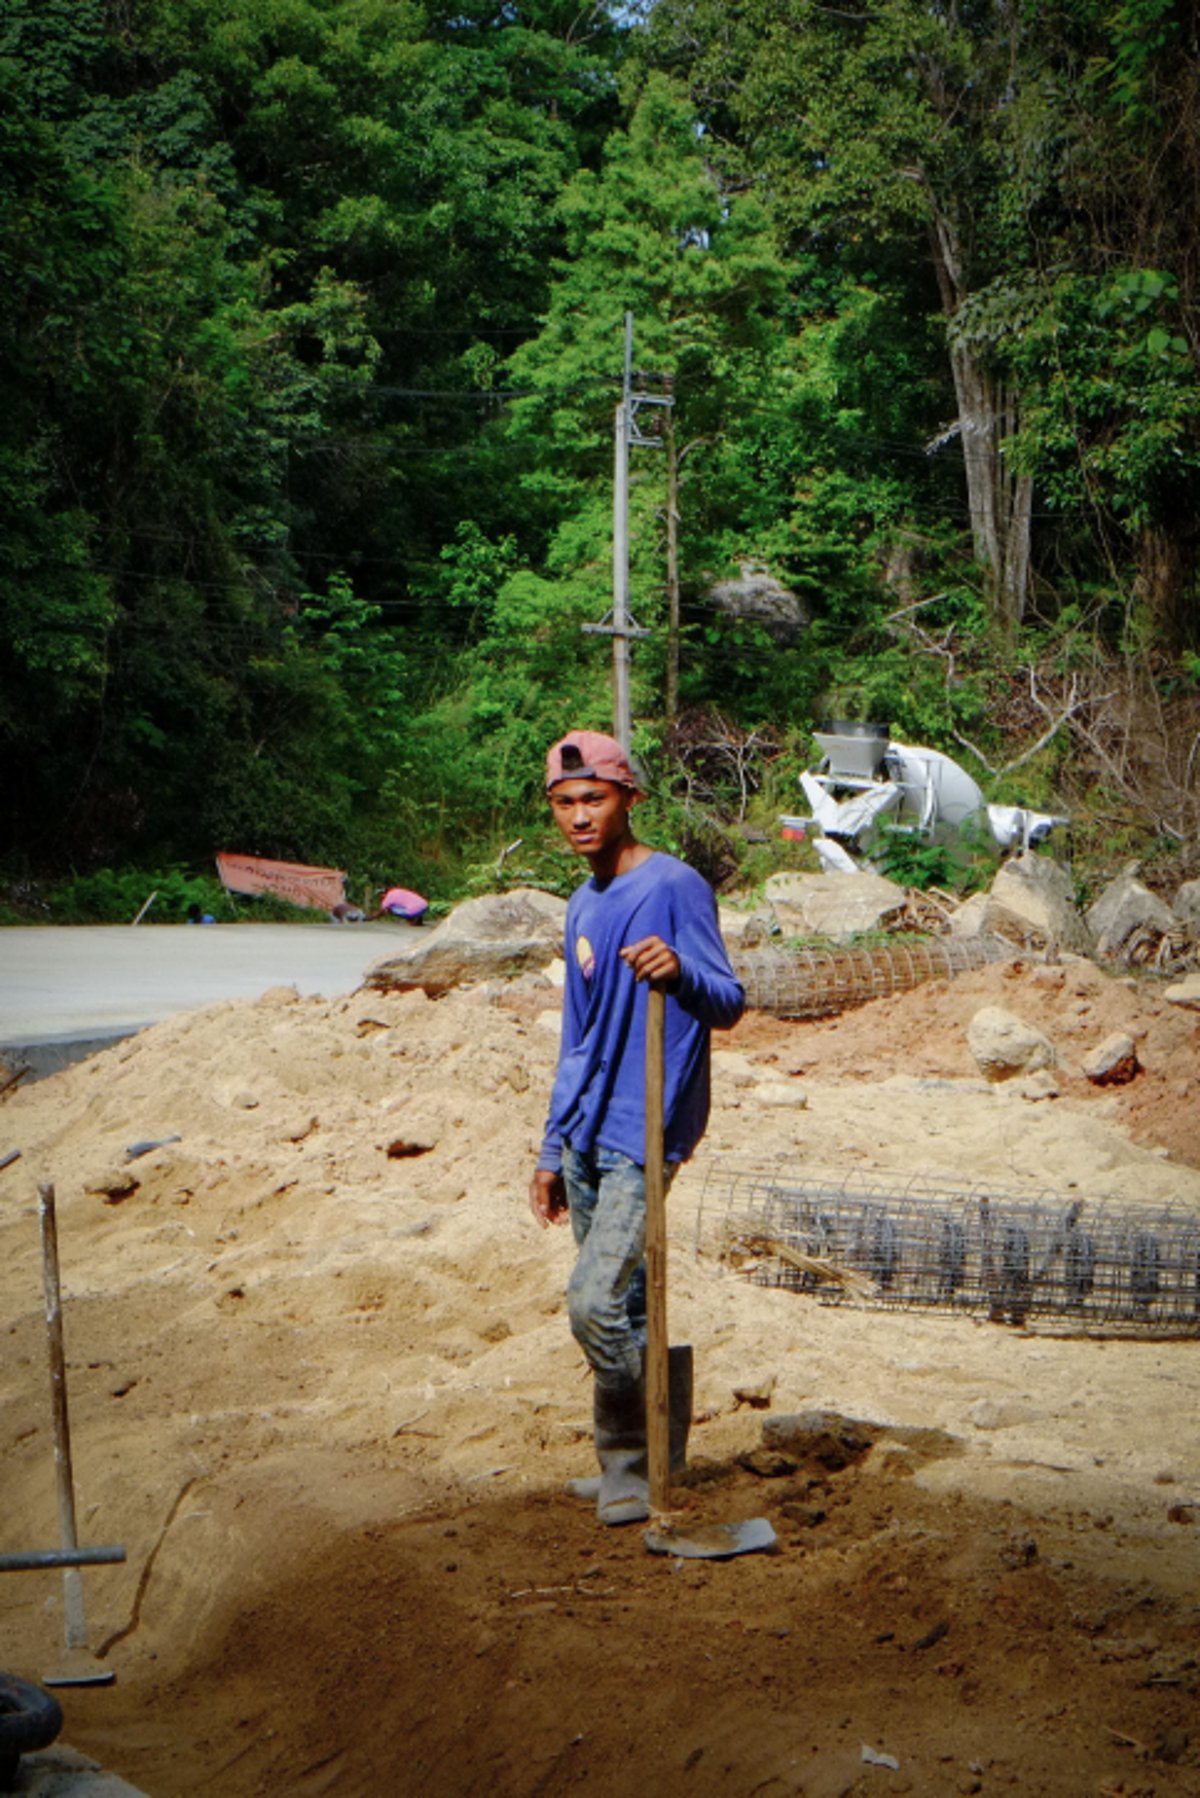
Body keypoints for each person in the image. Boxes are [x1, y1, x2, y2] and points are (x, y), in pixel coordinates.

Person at [529, 729, 744, 1525]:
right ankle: (634, 1462)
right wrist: (552, 1146)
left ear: (629, 801)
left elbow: (729, 999)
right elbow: (575, 1036)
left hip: (646, 1125)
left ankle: (651, 1442)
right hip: (587, 1128)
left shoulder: (674, 886)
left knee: (592, 1302)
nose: (580, 815)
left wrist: (681, 971)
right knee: (631, 1304)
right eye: (565, 803)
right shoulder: (583, 904)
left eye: (595, 798)